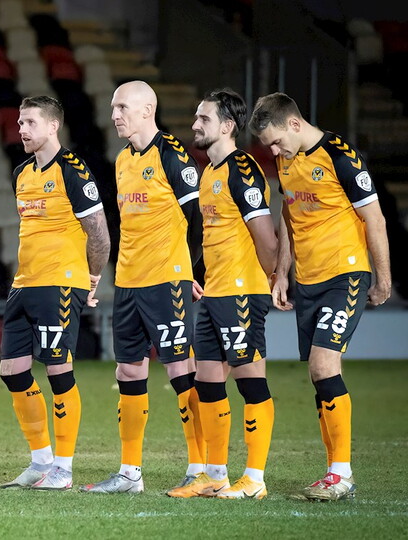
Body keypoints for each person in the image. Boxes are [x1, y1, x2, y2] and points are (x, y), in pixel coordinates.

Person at [249, 92, 391, 501]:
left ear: (294, 124)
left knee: (323, 364)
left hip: (344, 274)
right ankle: (334, 473)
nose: (274, 152)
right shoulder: (287, 159)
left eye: (277, 142)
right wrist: (282, 272)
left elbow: (375, 218)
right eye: (269, 147)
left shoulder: (341, 157)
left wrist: (383, 278)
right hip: (308, 280)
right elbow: (289, 212)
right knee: (318, 374)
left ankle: (341, 474)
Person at [82, 80, 206, 494]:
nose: (114, 115)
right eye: (113, 107)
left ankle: (200, 467)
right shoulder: (122, 160)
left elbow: (198, 219)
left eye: (122, 107)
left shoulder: (172, 155)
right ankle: (129, 473)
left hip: (166, 279)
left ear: (147, 110)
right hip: (128, 282)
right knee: (128, 370)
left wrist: (193, 272)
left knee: (180, 370)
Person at [166, 89, 278, 499]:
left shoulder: (242, 169)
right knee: (208, 383)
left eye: (204, 119)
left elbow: (266, 238)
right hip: (216, 293)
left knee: (250, 382)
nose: (195, 125)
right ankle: (214, 475)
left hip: (242, 293)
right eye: (196, 117)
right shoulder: (209, 172)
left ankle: (254, 479)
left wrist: (274, 280)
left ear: (228, 126)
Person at [0, 96, 110, 491]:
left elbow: (98, 232)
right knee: (12, 371)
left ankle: (63, 468)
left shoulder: (73, 170)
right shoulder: (21, 173)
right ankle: (40, 460)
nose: (21, 129)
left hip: (61, 281)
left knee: (58, 370)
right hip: (24, 282)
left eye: (30, 122)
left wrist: (92, 278)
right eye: (19, 122)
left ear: (52, 126)